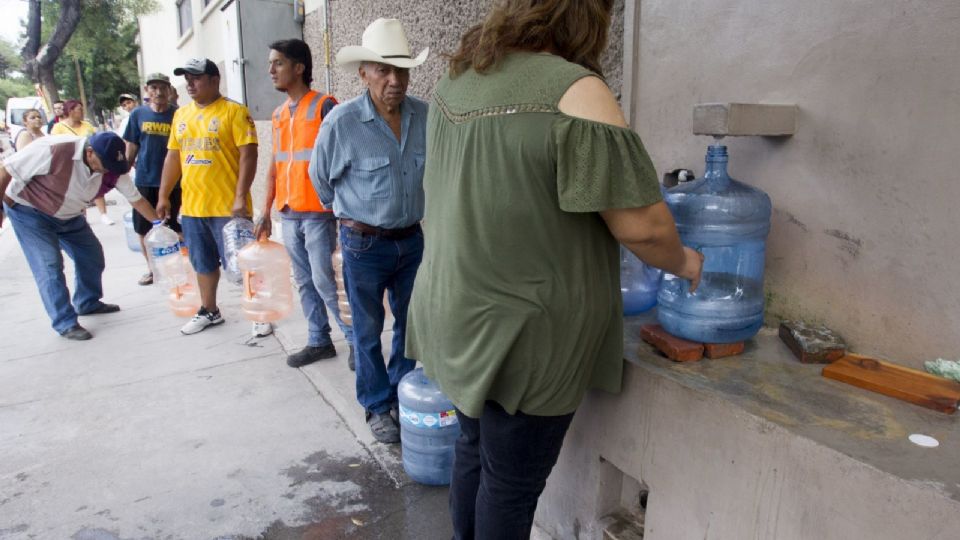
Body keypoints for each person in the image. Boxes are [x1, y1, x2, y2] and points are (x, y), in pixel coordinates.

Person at [404, 1, 705, 537]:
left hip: (454, 313)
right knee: (511, 486)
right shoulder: (576, 90)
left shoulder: (458, 81)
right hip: (528, 334)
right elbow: (644, 229)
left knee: (474, 452)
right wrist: (685, 261)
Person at [309, 18, 429, 444]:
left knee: (410, 326)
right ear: (363, 73)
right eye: (383, 70)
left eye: (401, 70)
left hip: (412, 240)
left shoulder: (423, 115)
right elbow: (321, 180)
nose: (394, 81)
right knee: (366, 329)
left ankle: (399, 393)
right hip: (362, 243)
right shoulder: (341, 123)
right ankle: (376, 406)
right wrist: (350, 214)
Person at [0, 132, 160, 340]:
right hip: (30, 212)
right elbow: (6, 170)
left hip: (70, 215)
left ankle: (87, 302)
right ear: (90, 152)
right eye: (106, 165)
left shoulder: (113, 166)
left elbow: (136, 200)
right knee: (49, 265)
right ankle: (65, 322)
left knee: (92, 256)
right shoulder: (53, 148)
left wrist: (158, 224)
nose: (109, 171)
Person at [254, 39, 354, 366]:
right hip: (289, 213)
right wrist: (265, 210)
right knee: (305, 281)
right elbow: (275, 165)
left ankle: (355, 341)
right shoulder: (279, 114)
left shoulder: (325, 106)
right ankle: (319, 340)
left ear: (299, 68)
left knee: (327, 282)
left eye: (278, 63)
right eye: (271, 63)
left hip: (318, 213)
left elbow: (345, 158)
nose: (271, 70)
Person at [157, 58, 259, 336]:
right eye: (186, 78)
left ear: (215, 80)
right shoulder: (181, 115)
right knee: (202, 263)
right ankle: (209, 310)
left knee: (243, 263)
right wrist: (164, 195)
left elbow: (249, 155)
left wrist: (241, 197)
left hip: (229, 207)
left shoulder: (234, 112)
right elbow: (173, 157)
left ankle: (259, 311)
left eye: (196, 78)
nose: (190, 83)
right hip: (193, 207)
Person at [123, 73, 181, 286]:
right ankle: (153, 270)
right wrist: (123, 172)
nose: (158, 92)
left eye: (162, 88)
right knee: (144, 228)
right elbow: (131, 147)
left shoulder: (179, 114)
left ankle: (176, 269)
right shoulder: (138, 114)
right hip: (145, 180)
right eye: (154, 88)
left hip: (174, 182)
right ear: (147, 90)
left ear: (169, 90)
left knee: (174, 227)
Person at [51, 100, 114, 225]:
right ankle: (82, 217)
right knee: (77, 191)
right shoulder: (58, 127)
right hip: (71, 164)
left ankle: (103, 214)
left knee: (96, 188)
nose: (82, 111)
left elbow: (95, 141)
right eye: (79, 109)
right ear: (70, 111)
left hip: (90, 162)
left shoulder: (87, 125)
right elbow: (55, 146)